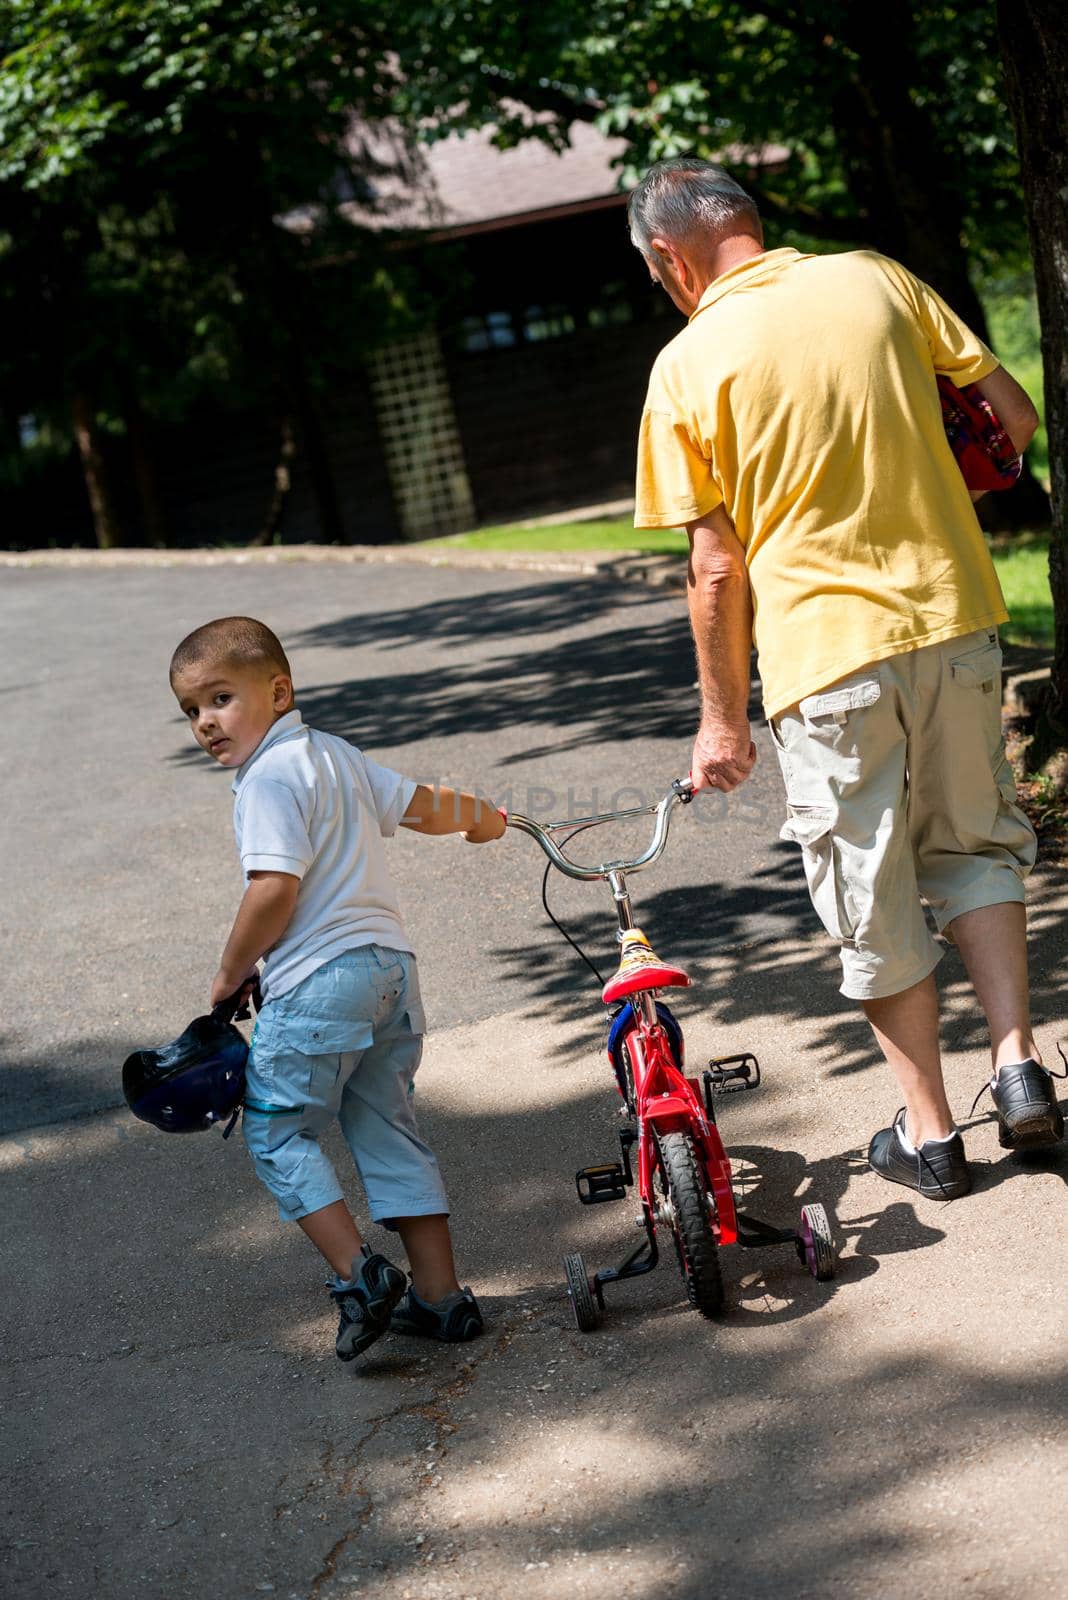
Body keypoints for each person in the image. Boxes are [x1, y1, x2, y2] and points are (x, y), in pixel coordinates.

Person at [629, 156, 1063, 1200]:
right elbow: (1012, 415)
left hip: (829, 660)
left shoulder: (687, 366)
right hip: (953, 617)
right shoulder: (877, 276)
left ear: (670, 257)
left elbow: (717, 564)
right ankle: (1017, 1070)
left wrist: (721, 723)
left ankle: (931, 1137)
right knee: (977, 843)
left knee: (871, 891)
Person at [169, 616, 506, 1359]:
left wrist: (230, 976)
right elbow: (418, 803)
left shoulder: (264, 780)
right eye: (191, 710)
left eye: (220, 698)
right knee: (387, 1124)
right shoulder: (337, 758)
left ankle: (362, 1277)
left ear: (278, 691)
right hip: (390, 972)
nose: (204, 723)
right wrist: (482, 819)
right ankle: (441, 1298)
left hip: (320, 986)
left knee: (277, 1131)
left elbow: (273, 890)